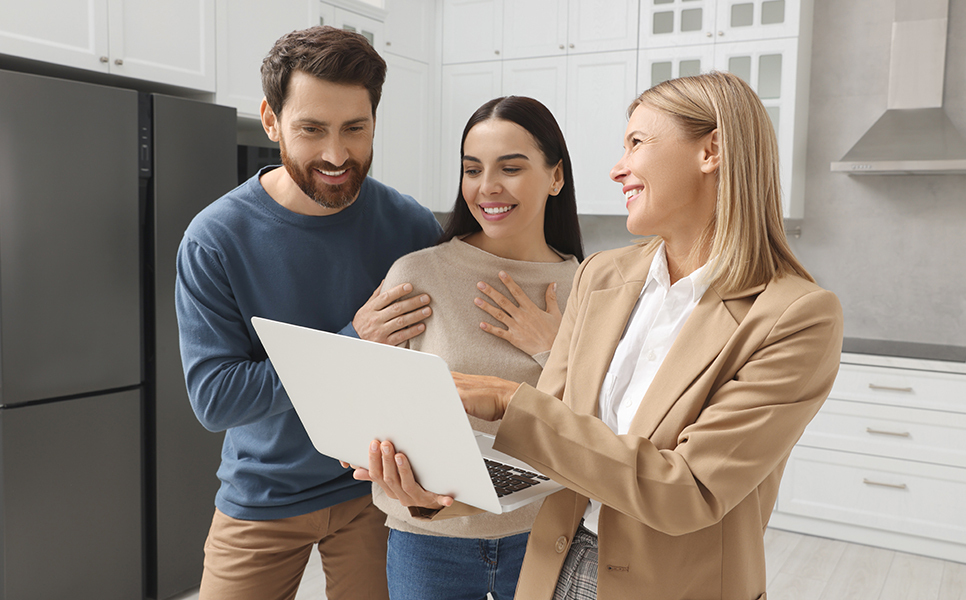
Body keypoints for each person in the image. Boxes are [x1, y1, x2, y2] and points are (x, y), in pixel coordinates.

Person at [360, 72, 845, 599]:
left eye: (637, 143)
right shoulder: (603, 276)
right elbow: (545, 456)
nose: (618, 169)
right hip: (555, 565)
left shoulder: (795, 316)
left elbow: (688, 491)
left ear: (712, 151)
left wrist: (507, 399)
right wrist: (439, 494)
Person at [175, 26, 442, 600]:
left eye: (355, 128)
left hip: (377, 492)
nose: (337, 155)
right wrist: (353, 340)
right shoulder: (216, 239)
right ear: (272, 121)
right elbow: (217, 398)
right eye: (311, 129)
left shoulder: (412, 227)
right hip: (262, 496)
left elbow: (442, 364)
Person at [370, 96, 584, 600]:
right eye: (473, 169)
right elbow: (380, 403)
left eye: (511, 168)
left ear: (556, 178)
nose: (487, 187)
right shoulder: (418, 275)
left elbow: (604, 428)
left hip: (548, 534)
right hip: (430, 538)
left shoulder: (588, 285)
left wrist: (552, 350)